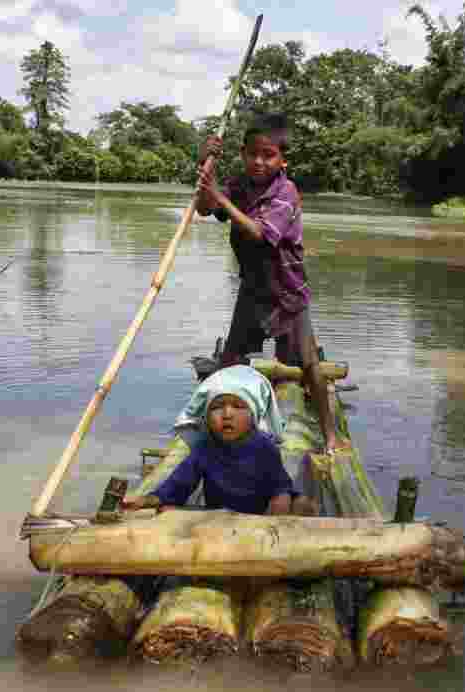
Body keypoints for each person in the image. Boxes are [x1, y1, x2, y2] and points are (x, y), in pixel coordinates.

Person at [194, 112, 348, 455]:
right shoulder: (237, 184)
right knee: (230, 361)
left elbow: (261, 234)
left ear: (282, 160)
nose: (259, 162)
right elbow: (204, 208)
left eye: (269, 155)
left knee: (309, 365)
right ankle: (215, 434)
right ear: (243, 154)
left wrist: (221, 199)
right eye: (253, 154)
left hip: (287, 292)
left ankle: (331, 438)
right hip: (252, 289)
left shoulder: (286, 192)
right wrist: (206, 164)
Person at [122, 365, 316, 516]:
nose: (227, 414)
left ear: (253, 415)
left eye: (238, 406)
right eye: (217, 407)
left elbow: (280, 488)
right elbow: (179, 484)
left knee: (296, 503)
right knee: (166, 511)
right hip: (215, 517)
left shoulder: (264, 446)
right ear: (206, 416)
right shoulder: (205, 447)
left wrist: (279, 511)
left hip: (257, 519)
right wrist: (148, 500)